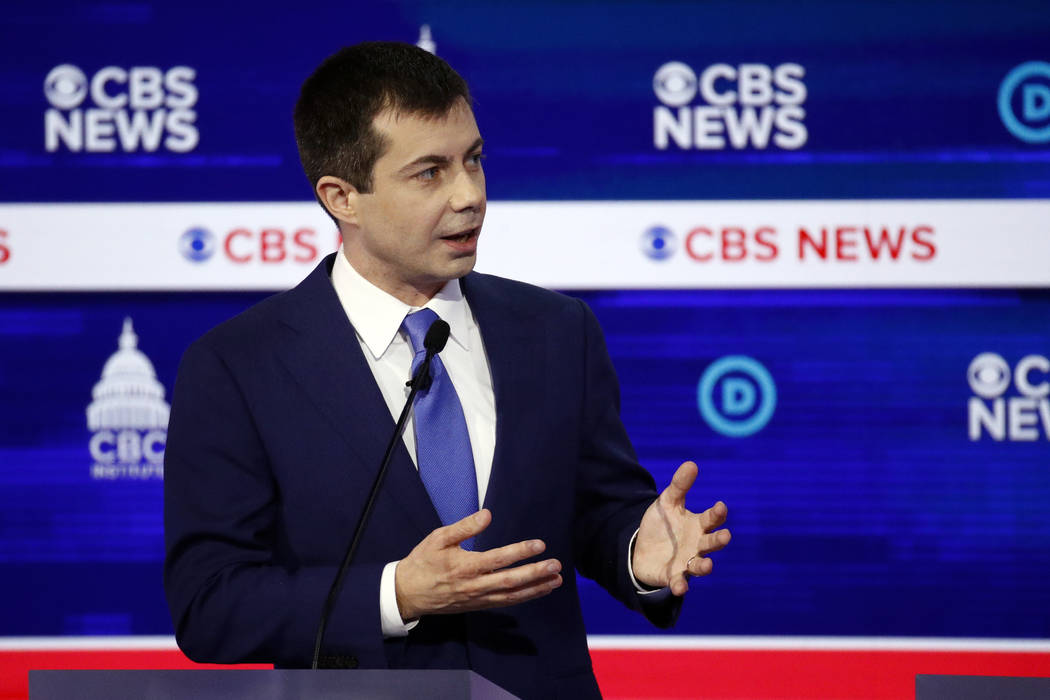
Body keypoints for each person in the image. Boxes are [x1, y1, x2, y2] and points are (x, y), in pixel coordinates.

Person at [163, 42, 730, 698]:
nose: (470, 197)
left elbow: (597, 511)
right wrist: (395, 594)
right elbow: (209, 605)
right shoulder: (240, 366)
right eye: (429, 173)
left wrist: (638, 552)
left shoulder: (555, 331)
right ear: (342, 196)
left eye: (474, 160)